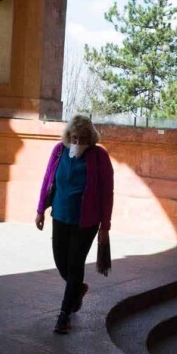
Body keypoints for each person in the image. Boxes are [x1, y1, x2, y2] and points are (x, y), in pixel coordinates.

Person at [35, 115, 114, 334]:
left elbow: (107, 193)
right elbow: (48, 180)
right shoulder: (59, 151)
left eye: (82, 139)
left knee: (75, 264)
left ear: (91, 139)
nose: (77, 143)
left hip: (85, 222)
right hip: (60, 216)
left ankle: (64, 315)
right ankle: (77, 289)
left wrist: (104, 227)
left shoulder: (99, 157)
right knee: (61, 262)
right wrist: (41, 210)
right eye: (74, 138)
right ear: (68, 136)